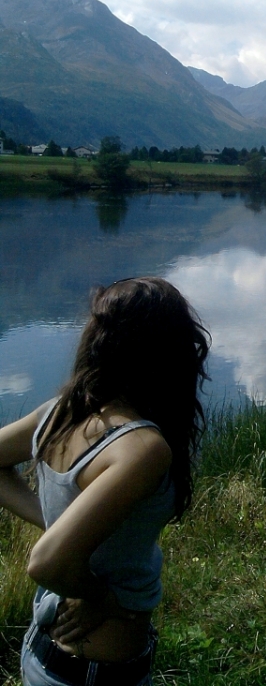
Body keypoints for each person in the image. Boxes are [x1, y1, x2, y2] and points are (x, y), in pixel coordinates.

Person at [0, 276, 210, 686]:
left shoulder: (61, 412)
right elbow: (46, 562)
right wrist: (103, 599)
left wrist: (56, 526)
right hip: (94, 674)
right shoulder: (143, 448)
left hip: (44, 656)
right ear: (168, 353)